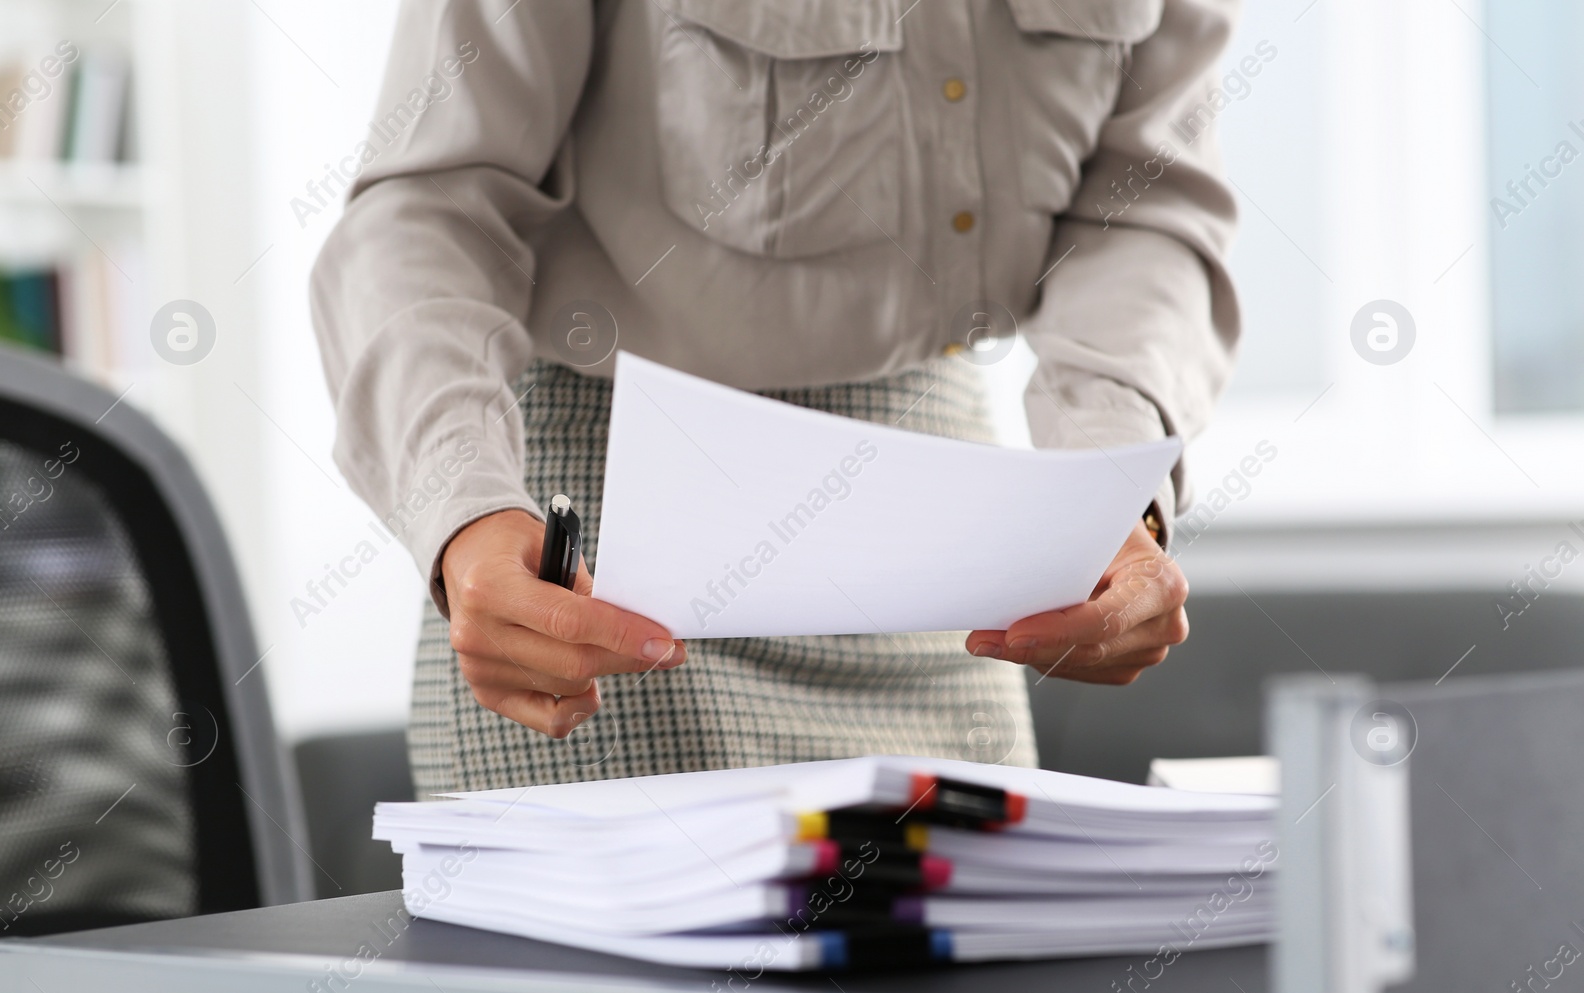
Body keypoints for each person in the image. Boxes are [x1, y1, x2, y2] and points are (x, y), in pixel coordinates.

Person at [312, 0, 1239, 796]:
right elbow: (429, 210)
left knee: (963, 979)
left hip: (934, 531)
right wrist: (463, 510)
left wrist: (1106, 491)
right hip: (606, 539)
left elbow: (1144, 208)